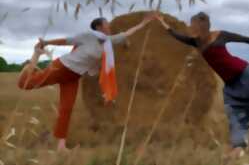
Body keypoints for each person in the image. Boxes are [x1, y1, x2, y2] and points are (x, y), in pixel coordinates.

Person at [155, 11, 249, 159]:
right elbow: (176, 35)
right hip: (232, 85)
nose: (190, 28)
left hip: (246, 73)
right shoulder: (196, 42)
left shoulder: (220, 35)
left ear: (201, 26)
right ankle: (238, 147)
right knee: (234, 113)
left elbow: (243, 39)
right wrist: (163, 22)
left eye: (192, 26)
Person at [18, 13, 155, 152]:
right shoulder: (87, 36)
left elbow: (126, 34)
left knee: (66, 109)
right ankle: (35, 56)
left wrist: (142, 24)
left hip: (74, 77)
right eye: (107, 24)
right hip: (62, 67)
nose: (109, 26)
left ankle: (61, 146)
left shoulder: (108, 42)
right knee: (26, 84)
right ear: (99, 27)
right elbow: (66, 41)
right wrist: (46, 43)